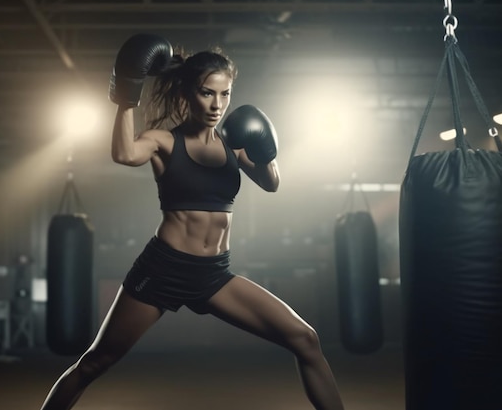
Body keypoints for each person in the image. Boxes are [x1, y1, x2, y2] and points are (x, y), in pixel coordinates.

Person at [39, 33, 345, 410]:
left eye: (225, 94)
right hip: (163, 269)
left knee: (305, 339)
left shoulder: (234, 146)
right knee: (95, 362)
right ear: (188, 94)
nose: (218, 104)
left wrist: (265, 148)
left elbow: (272, 183)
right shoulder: (164, 142)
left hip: (214, 275)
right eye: (207, 93)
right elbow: (123, 153)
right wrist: (126, 97)